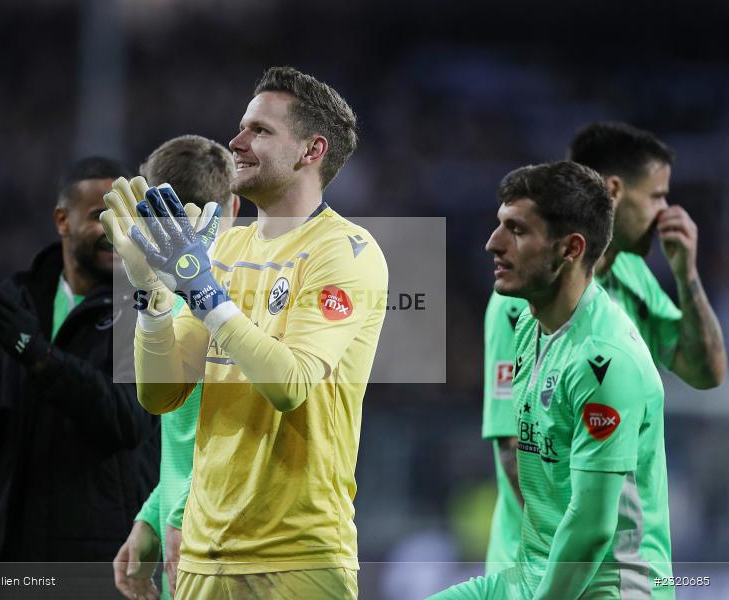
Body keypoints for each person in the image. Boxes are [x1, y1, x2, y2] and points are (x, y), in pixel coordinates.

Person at [103, 66, 388, 599]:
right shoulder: (225, 251)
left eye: (260, 130)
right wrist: (151, 296)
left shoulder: (346, 252)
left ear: (311, 151)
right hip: (201, 561)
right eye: (241, 127)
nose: (236, 142)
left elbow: (290, 382)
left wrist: (203, 291)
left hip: (297, 558)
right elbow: (161, 394)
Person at [480, 122, 726, 574]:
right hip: (547, 570)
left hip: (626, 567)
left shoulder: (634, 276)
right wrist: (567, 571)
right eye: (656, 196)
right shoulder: (519, 304)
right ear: (615, 190)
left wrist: (686, 274)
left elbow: (707, 372)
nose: (666, 211)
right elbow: (517, 450)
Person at [435, 161, 673, 598]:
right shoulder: (529, 325)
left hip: (605, 586)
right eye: (498, 225)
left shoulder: (605, 362)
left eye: (517, 230)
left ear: (570, 249)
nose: (493, 243)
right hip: (530, 577)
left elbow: (589, 530)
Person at [0, 157, 159, 590]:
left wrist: (35, 353)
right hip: (12, 567)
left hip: (102, 571)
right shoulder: (15, 304)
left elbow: (127, 419)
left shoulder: (150, 307)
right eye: (100, 216)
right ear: (62, 220)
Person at [111, 135, 240, 600]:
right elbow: (187, 438)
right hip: (180, 531)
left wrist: (182, 513)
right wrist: (151, 515)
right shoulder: (167, 294)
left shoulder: (224, 300)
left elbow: (232, 435)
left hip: (210, 539)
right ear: (234, 207)